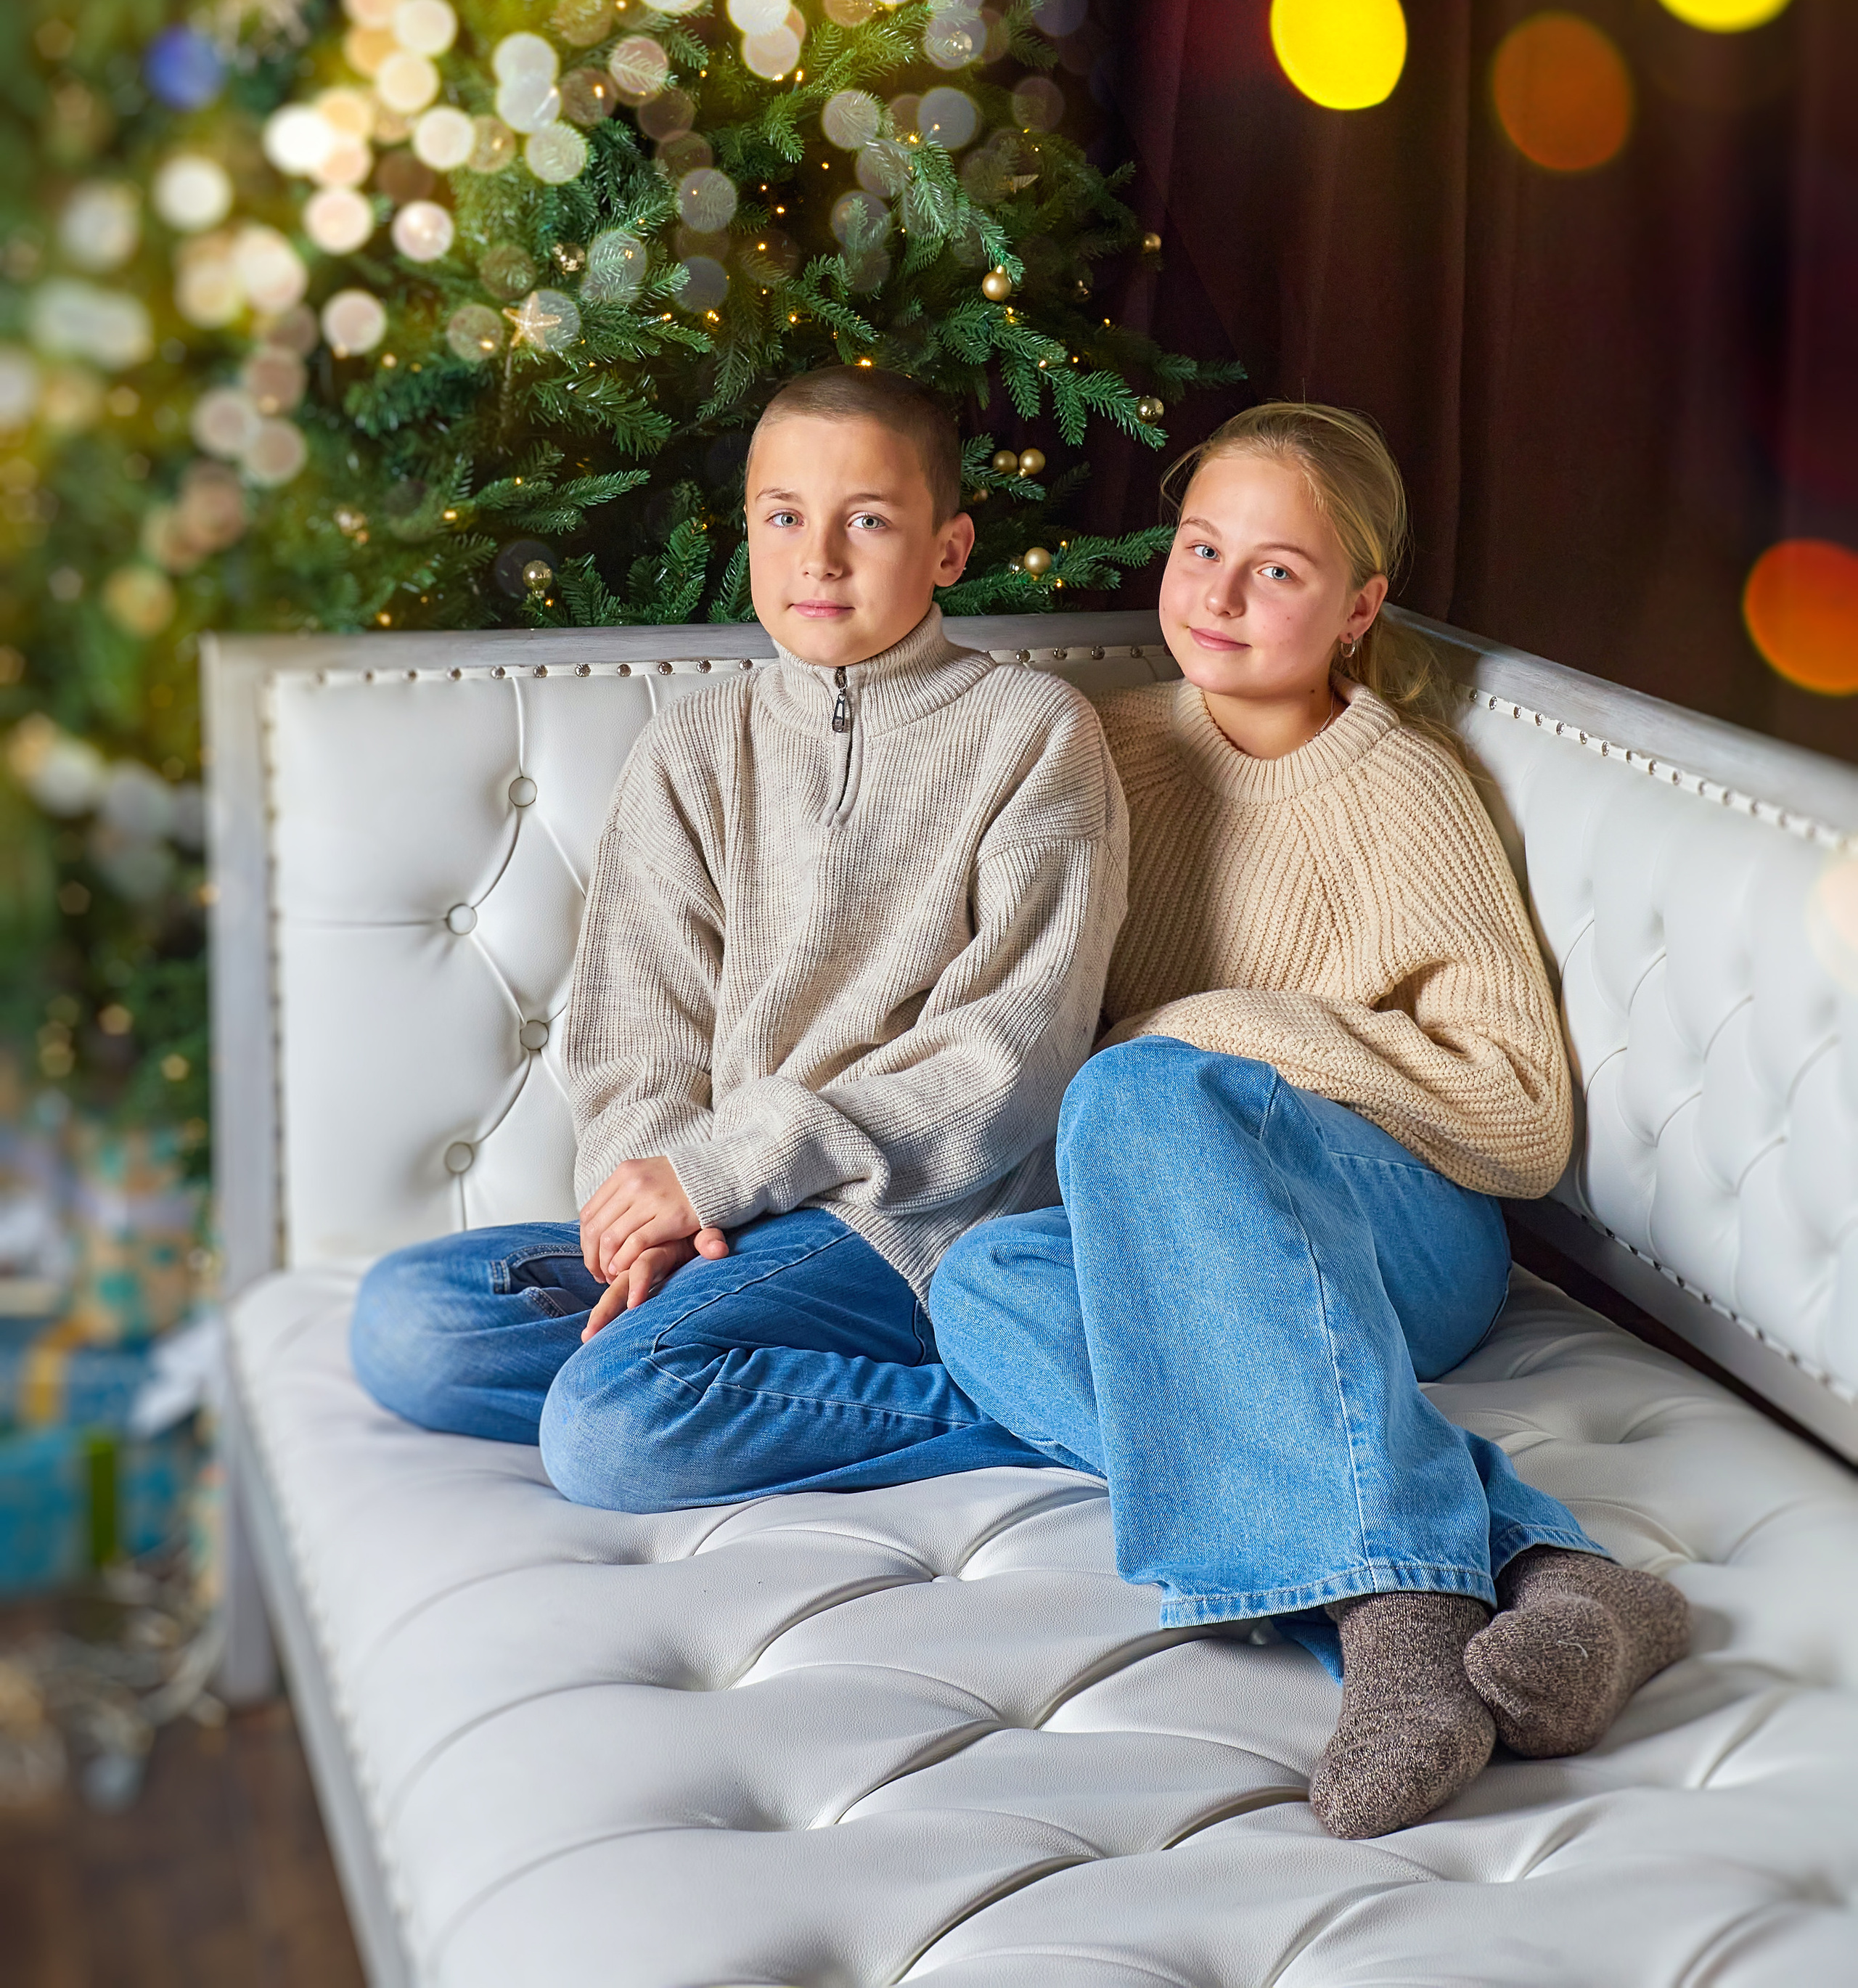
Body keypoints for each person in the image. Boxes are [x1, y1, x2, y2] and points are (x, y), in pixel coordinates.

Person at [928, 402, 1690, 1841]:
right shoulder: (1101, 751)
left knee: (1144, 1083)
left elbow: (1519, 1116)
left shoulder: (1398, 790)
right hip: (1215, 1251)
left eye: (1273, 570)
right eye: (1198, 546)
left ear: (1357, 609)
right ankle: (1549, 1572)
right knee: (980, 1287)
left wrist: (1196, 1032)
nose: (1213, 593)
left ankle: (1387, 1636)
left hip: (1401, 1228)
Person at [351, 365, 1127, 1508]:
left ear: (949, 549)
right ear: (749, 530)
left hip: (905, 1226)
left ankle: (1027, 1401)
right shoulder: (693, 745)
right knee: (407, 1326)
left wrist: (723, 1173)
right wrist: (651, 1216)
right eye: (783, 518)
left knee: (609, 1430)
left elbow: (1008, 1061)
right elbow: (638, 1035)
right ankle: (748, 1371)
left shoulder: (1034, 732)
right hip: (723, 1221)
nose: (819, 559)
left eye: (868, 519)